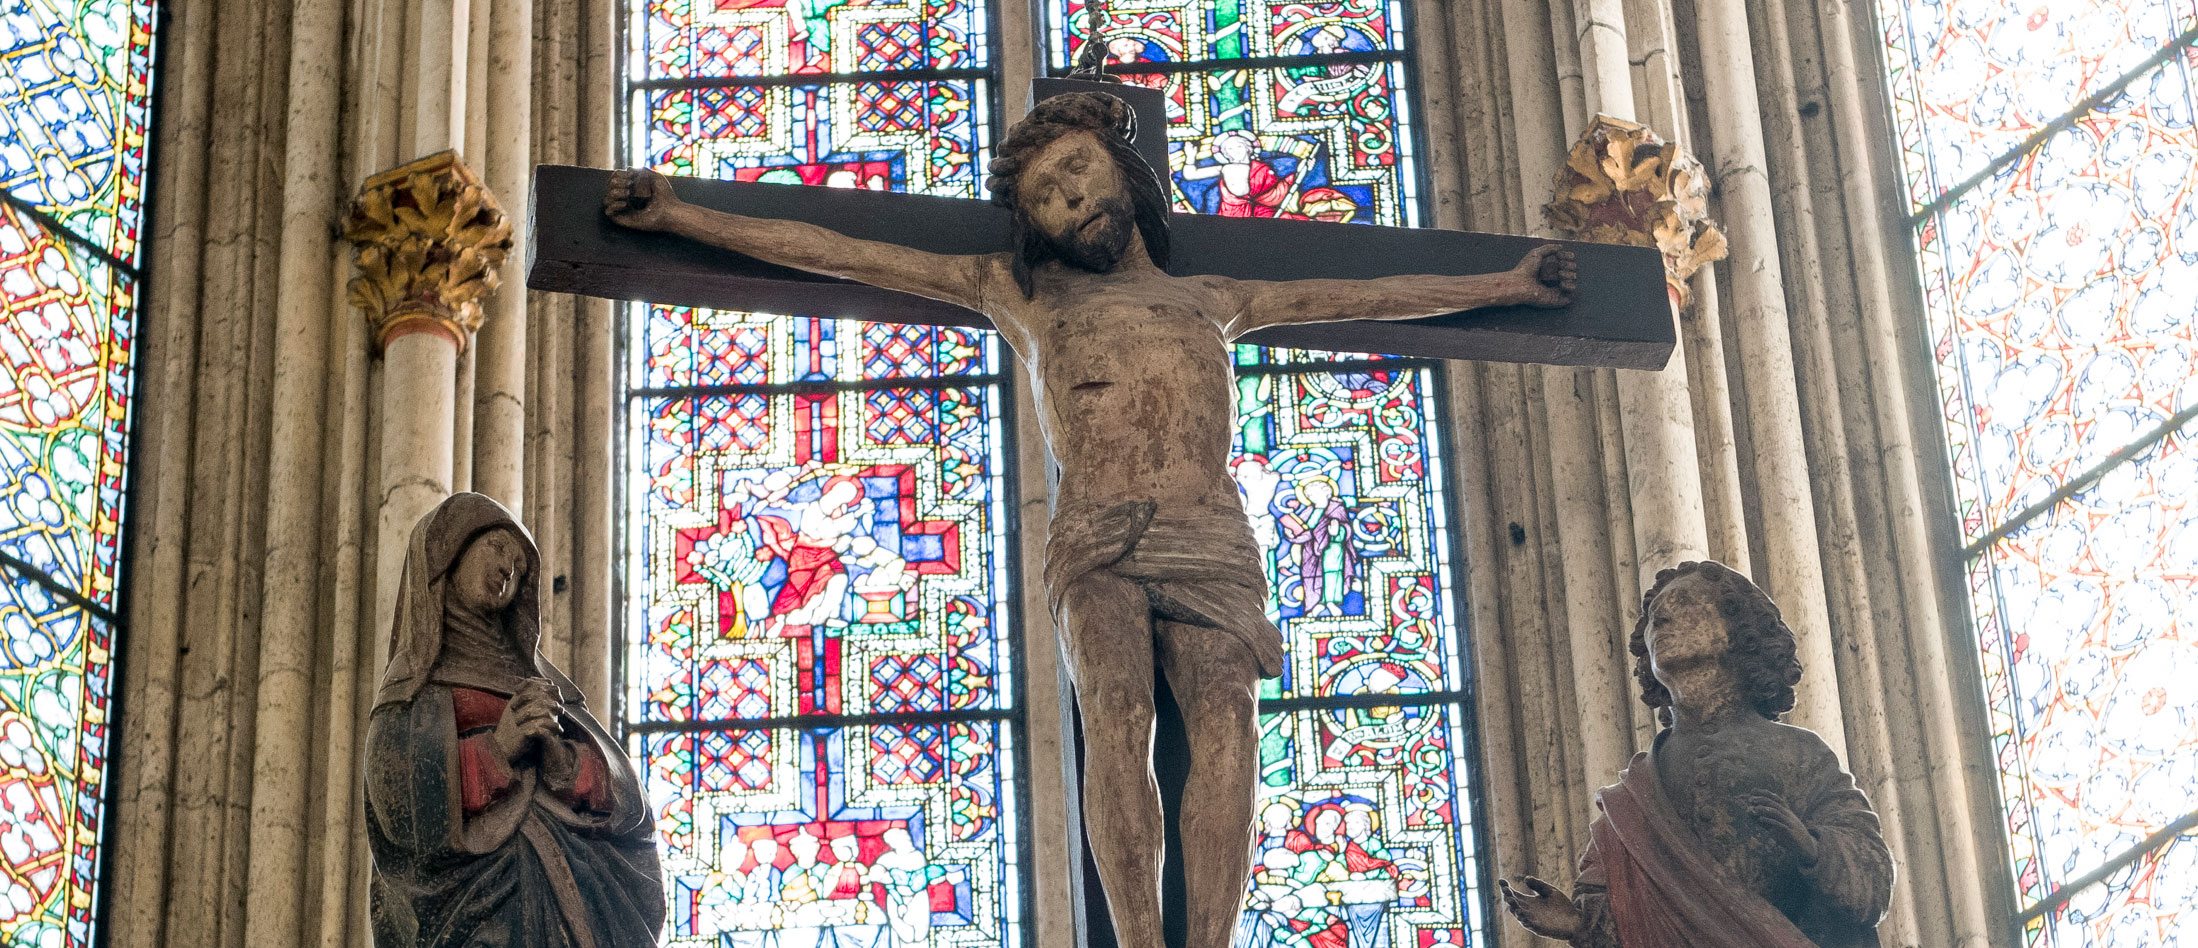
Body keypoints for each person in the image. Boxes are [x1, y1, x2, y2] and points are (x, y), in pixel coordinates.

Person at [605, 91, 1575, 948]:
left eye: (1077, 176)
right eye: (1047, 201)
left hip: (1208, 530)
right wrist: (683, 214)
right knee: (1116, 719)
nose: (1071, 205)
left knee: (1227, 719)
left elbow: (1374, 293)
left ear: (1123, 167)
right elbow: (841, 252)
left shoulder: (1214, 297)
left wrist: (1506, 285)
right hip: (1098, 534)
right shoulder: (1017, 297)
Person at [1499, 561, 1894, 947]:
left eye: (1683, 604)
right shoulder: (1634, 794)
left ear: (1738, 631)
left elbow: (1872, 879)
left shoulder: (1798, 753)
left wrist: (1812, 847)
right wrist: (1578, 924)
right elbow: (1618, 914)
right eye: (1654, 618)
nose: (1661, 621)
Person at [366, 493, 663, 948]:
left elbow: (627, 805)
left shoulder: (547, 685)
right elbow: (399, 803)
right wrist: (498, 751)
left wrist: (564, 762)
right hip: (474, 907)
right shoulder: (415, 687)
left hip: (574, 891)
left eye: (521, 568)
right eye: (497, 548)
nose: (509, 567)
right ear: (451, 551)